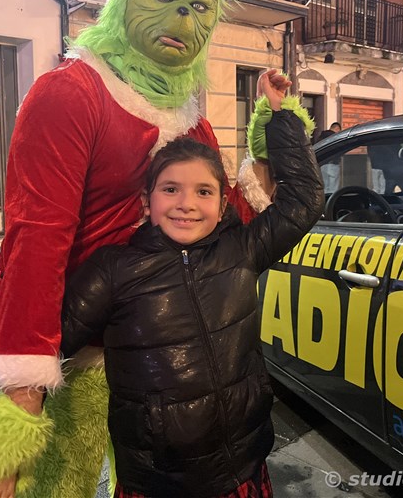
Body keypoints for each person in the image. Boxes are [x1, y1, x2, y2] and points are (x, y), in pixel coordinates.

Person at [0, 0, 302, 498]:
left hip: (164, 349)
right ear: (119, 5)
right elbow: (35, 240)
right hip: (79, 351)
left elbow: (227, 216)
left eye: (199, 9)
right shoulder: (71, 92)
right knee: (54, 486)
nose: (183, 19)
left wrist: (272, 127)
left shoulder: (190, 116)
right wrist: (22, 398)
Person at [59, 85, 323, 497]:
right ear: (147, 201)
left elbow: (303, 201)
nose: (186, 203)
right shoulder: (114, 268)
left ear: (222, 206)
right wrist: (10, 427)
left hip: (243, 468)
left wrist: (280, 113)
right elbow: (45, 345)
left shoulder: (242, 250)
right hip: (156, 481)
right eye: (170, 189)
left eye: (203, 191)